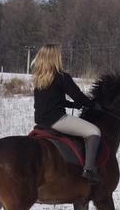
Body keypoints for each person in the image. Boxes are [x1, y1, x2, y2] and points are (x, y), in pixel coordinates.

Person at [32, 44, 102, 183]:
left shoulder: (39, 79)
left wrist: (71, 105)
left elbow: (51, 101)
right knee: (94, 131)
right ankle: (89, 170)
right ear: (55, 58)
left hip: (40, 121)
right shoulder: (62, 77)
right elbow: (79, 97)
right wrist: (93, 105)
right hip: (57, 120)